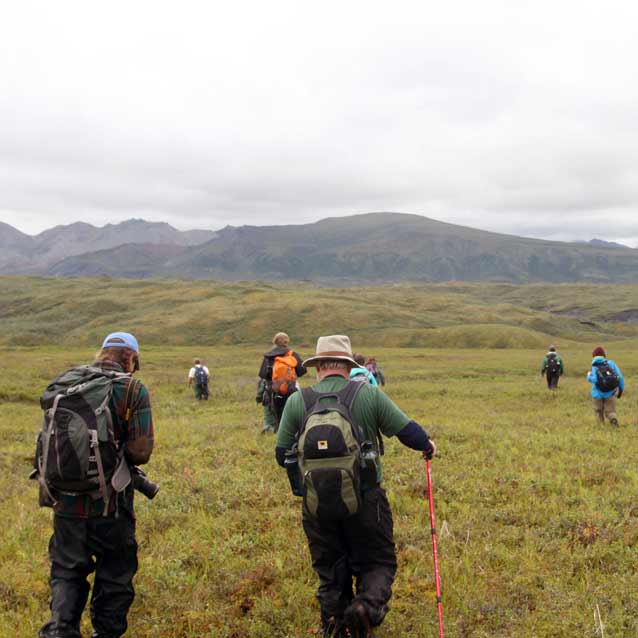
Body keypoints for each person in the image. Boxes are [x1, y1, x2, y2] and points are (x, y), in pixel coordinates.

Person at [275, 335, 436, 638]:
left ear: (319, 366)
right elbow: (408, 432)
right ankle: (365, 609)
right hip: (366, 500)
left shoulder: (299, 400)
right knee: (377, 561)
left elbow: (280, 454)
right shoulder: (368, 395)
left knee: (329, 570)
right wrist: (427, 444)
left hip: (316, 504)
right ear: (348, 366)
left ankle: (336, 626)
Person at [37, 331, 154, 638]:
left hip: (65, 500)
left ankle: (61, 630)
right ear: (130, 358)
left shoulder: (65, 382)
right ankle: (106, 633)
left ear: (102, 352)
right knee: (115, 571)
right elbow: (141, 452)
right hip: (111, 502)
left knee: (66, 570)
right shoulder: (131, 389)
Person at [258, 332, 306, 433]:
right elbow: (302, 371)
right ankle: (293, 430)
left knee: (271, 412)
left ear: (274, 341)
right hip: (291, 388)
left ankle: (270, 429)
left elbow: (263, 374)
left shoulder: (268, 356)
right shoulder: (292, 354)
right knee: (293, 411)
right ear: (287, 341)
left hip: (272, 389)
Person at [587, 346, 624, 427]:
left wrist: (588, 376)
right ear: (604, 354)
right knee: (611, 411)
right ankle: (613, 420)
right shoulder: (611, 363)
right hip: (610, 393)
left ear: (594, 355)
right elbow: (620, 377)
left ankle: (601, 427)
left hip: (597, 394)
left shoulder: (594, 365)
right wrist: (621, 390)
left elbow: (595, 380)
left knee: (598, 411)